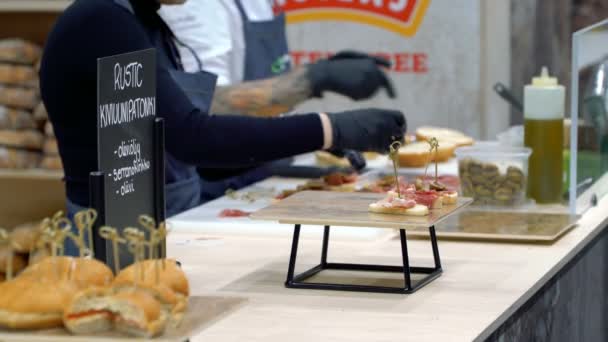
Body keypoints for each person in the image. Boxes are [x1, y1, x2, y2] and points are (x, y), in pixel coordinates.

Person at [39, 0, 406, 221]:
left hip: (164, 221)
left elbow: (195, 130)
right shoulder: (102, 21)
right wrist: (328, 127)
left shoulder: (144, 19)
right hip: (108, 239)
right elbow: (192, 136)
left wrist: (298, 149)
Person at [159, 0, 397, 201]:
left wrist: (305, 135)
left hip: (260, 170)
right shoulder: (194, 7)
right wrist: (315, 83)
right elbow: (207, 108)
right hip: (215, 190)